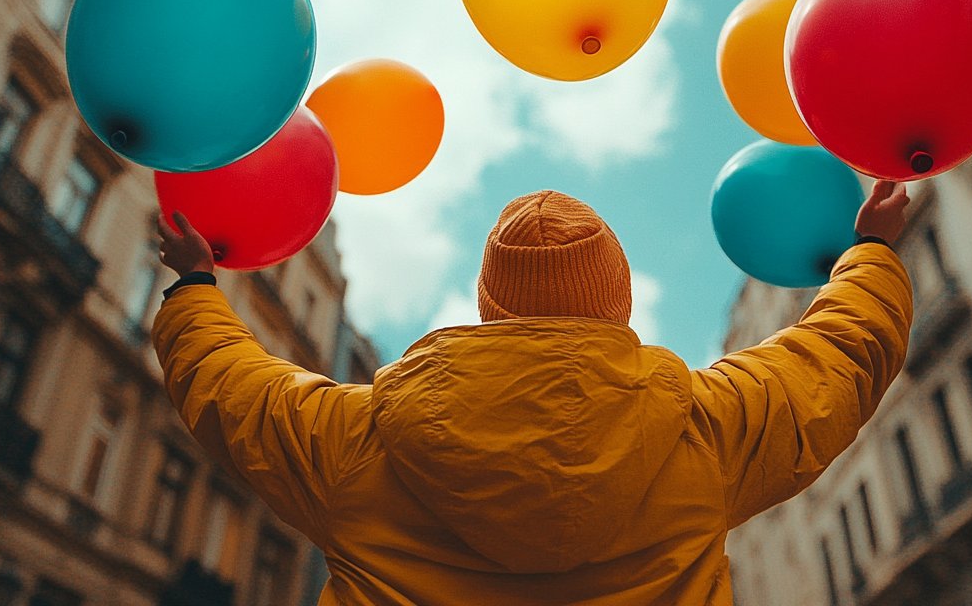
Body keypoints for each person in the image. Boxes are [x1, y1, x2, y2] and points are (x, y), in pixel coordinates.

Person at [153, 181, 912, 605]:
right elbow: (834, 357)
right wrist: (871, 253)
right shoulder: (704, 428)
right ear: (616, 301)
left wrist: (193, 287)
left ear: (491, 302)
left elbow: (231, 386)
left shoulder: (359, 440)